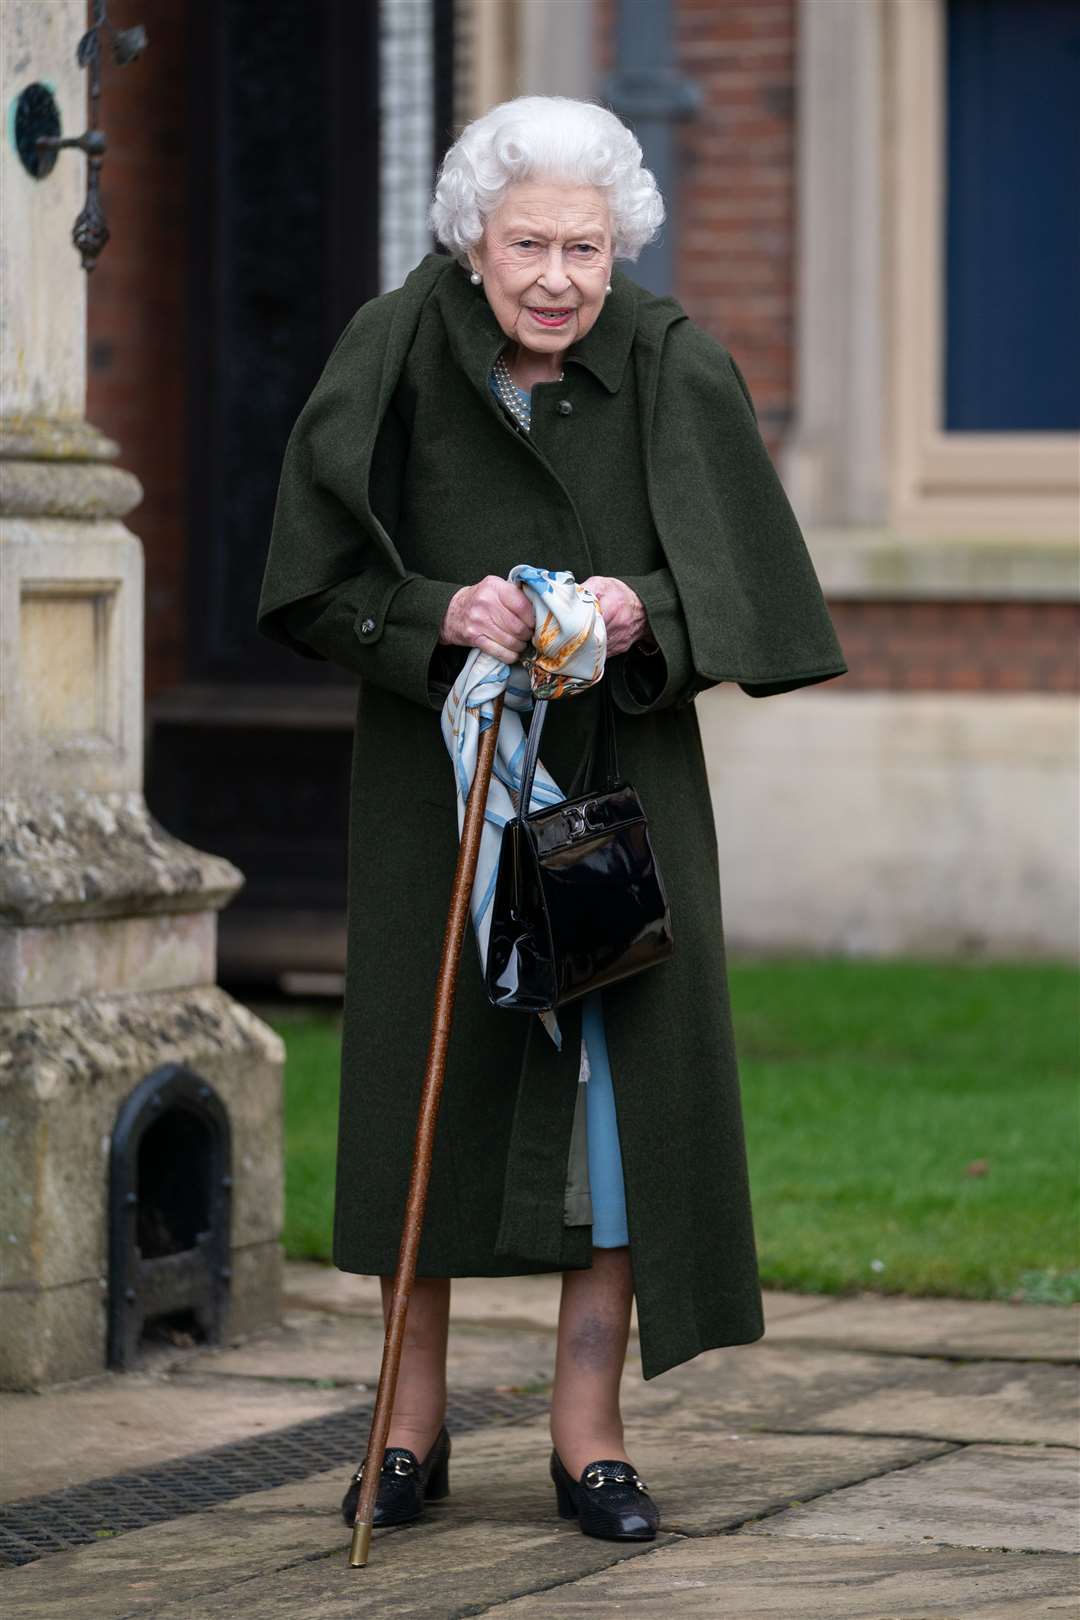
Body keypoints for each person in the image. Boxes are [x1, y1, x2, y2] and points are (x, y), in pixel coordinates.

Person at [257, 94, 846, 1543]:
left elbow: (758, 595)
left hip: (619, 784)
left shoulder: (667, 359)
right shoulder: (392, 347)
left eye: (587, 246)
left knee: (617, 1100)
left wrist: (648, 606)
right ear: (474, 240)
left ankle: (589, 1436)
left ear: (618, 248)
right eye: (530, 242)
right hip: (433, 791)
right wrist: (430, 613)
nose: (559, 278)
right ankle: (407, 1430)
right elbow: (311, 579)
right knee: (427, 1078)